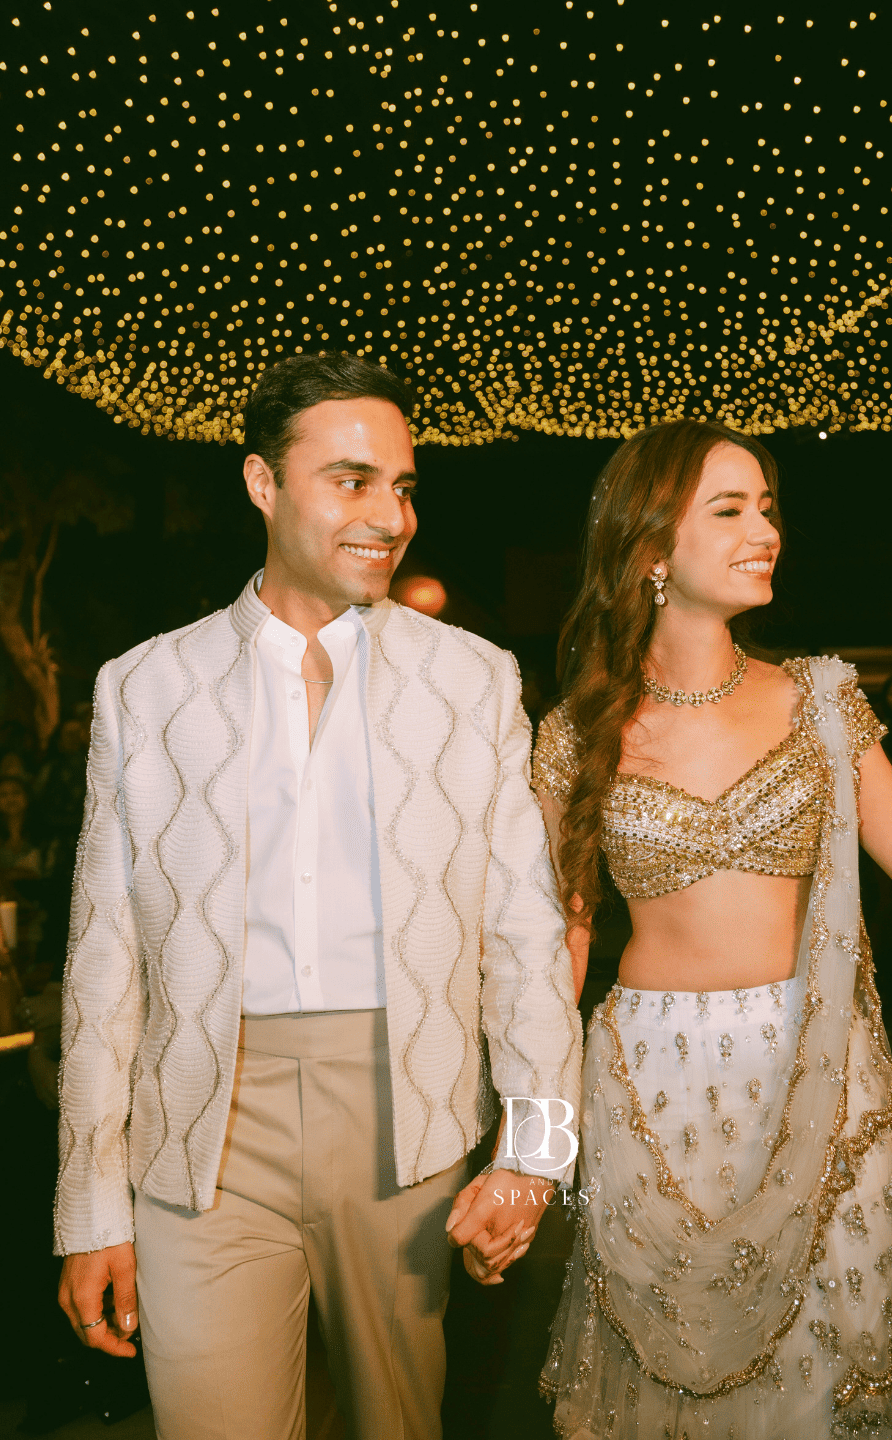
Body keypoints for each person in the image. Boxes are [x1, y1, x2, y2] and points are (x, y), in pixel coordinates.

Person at [53, 352, 582, 1440]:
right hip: (200, 1134)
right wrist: (90, 1210)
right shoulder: (144, 687)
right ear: (262, 483)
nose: (390, 515)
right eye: (352, 481)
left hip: (408, 1121)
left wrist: (538, 1153)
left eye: (404, 486)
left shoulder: (473, 679)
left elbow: (525, 936)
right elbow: (104, 961)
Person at [530, 419, 892, 1437]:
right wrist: (530, 1154)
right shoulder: (575, 735)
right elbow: (555, 958)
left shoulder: (823, 702)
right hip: (649, 1091)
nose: (766, 530)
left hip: (817, 1080)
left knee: (823, 1388)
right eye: (730, 510)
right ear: (649, 548)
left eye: (767, 507)